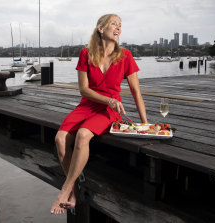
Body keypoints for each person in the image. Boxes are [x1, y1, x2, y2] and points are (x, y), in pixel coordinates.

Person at [50, 13, 148, 214]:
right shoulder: (86, 54)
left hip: (111, 110)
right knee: (60, 139)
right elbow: (84, 90)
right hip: (87, 105)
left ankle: (66, 189)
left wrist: (145, 123)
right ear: (101, 28)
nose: (119, 28)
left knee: (83, 135)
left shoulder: (126, 56)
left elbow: (136, 91)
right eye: (114, 24)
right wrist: (108, 99)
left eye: (120, 25)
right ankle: (74, 192)